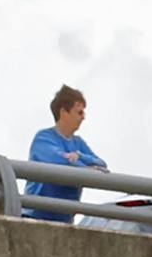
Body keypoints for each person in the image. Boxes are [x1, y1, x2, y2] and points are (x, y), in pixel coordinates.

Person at [24, 86, 105, 223]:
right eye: (79, 112)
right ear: (63, 112)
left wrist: (79, 156)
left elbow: (101, 164)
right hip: (35, 217)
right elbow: (60, 161)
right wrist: (86, 169)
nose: (83, 117)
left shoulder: (78, 143)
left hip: (64, 220)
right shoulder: (43, 138)